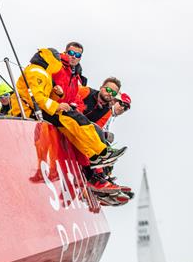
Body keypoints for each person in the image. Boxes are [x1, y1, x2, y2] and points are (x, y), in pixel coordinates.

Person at [8, 48, 125, 178]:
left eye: (113, 93)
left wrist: (58, 95)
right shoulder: (38, 72)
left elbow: (41, 97)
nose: (60, 64)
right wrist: (59, 106)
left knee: (76, 126)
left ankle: (96, 158)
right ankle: (101, 154)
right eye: (59, 60)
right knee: (75, 121)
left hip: (38, 110)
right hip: (30, 111)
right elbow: (37, 98)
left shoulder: (44, 73)